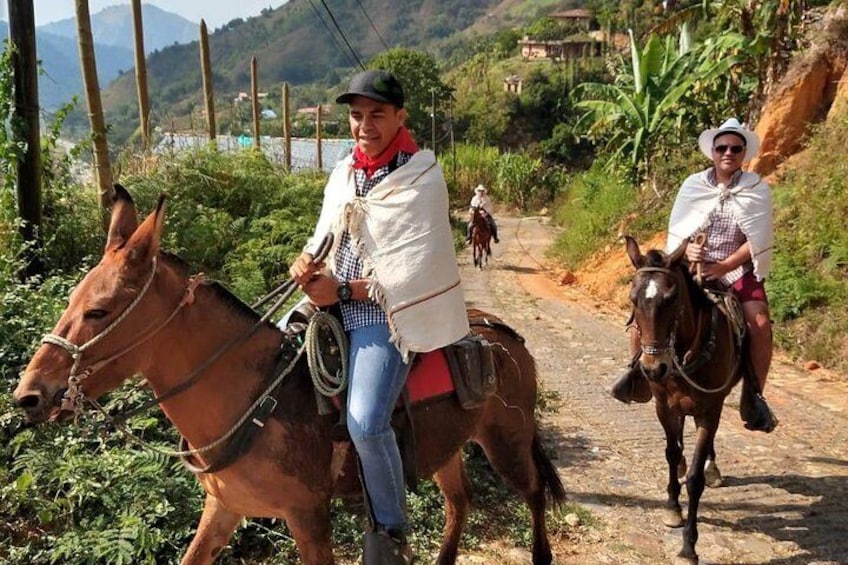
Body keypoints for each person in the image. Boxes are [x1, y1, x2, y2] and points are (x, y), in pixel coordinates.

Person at [289, 69, 469, 564]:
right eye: (356, 115)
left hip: (378, 315)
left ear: (400, 116)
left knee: (367, 421)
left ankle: (390, 536)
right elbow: (325, 238)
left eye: (376, 115)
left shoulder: (421, 177)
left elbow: (416, 276)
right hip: (327, 302)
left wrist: (343, 289)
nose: (364, 125)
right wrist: (305, 263)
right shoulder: (344, 173)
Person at [610, 117, 778, 433]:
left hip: (736, 268)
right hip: (689, 265)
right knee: (645, 310)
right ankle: (637, 373)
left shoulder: (756, 189)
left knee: (760, 323)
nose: (728, 152)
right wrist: (688, 253)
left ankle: (754, 395)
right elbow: (680, 232)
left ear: (744, 153)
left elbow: (757, 241)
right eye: (722, 147)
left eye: (735, 148)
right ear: (713, 152)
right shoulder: (693, 185)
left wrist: (725, 265)